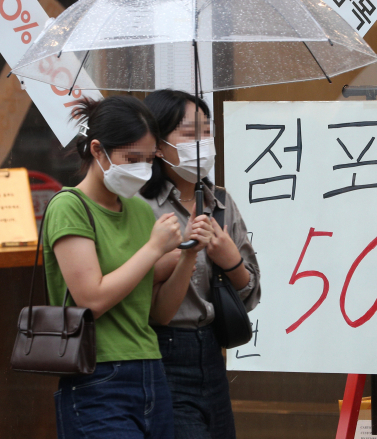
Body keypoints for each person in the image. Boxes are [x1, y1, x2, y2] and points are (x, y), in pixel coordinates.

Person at [44, 95, 213, 439]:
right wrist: (153, 249)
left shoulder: (137, 210)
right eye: (131, 159)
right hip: (96, 375)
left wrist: (188, 254)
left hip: (151, 369)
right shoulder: (68, 206)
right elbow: (90, 299)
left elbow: (161, 313)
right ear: (97, 151)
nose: (142, 169)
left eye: (149, 160)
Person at [140, 89, 261, 439]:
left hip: (212, 349)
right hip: (160, 350)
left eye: (207, 131)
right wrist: (180, 254)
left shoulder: (219, 202)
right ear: (158, 145)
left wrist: (230, 260)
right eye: (190, 133)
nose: (203, 142)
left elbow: (251, 293)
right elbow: (133, 287)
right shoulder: (139, 206)